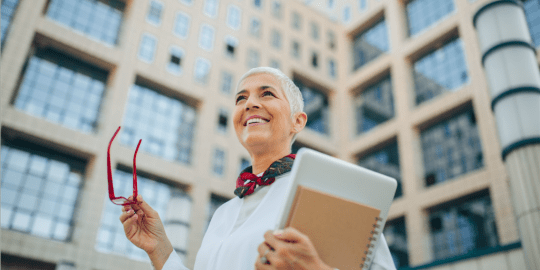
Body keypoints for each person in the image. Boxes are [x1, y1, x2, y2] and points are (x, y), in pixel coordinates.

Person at [119, 67, 396, 270]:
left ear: (297, 122)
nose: (250, 103)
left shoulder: (332, 193)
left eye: (267, 94)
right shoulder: (222, 214)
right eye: (241, 98)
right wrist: (160, 248)